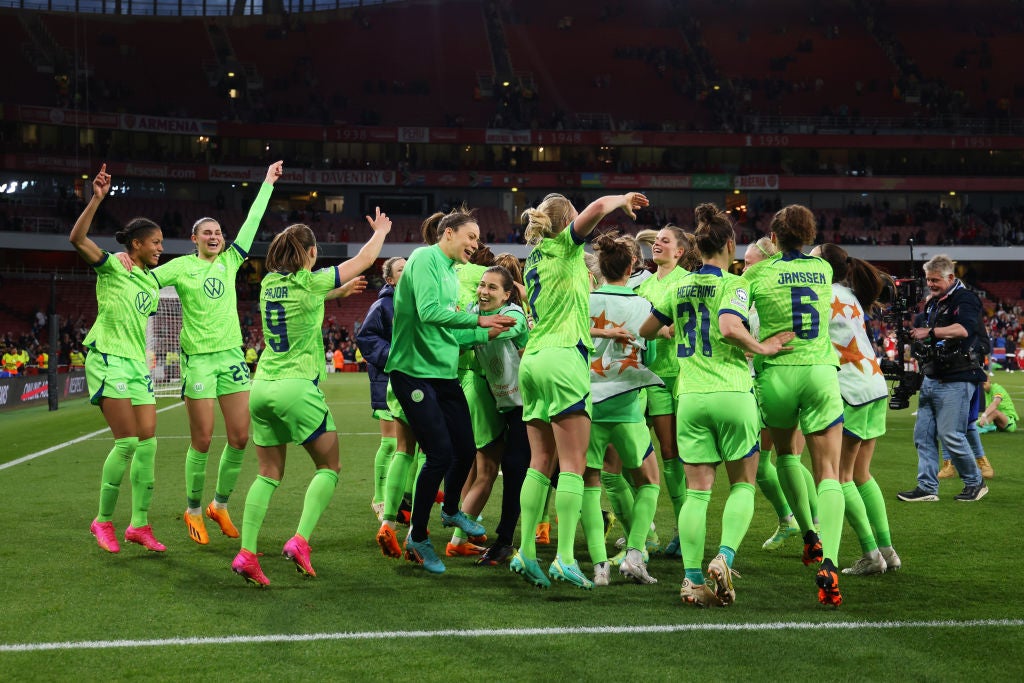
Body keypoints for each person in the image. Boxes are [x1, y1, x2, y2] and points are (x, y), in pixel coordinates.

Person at [642, 203, 792, 607]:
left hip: (689, 398)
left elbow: (646, 329)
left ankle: (691, 581)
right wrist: (762, 347)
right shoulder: (734, 283)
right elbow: (728, 326)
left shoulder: (677, 285)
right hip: (731, 392)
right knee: (743, 483)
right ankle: (724, 557)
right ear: (730, 243)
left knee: (697, 493)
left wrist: (674, 330)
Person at [231, 211, 390, 586]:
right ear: (311, 252)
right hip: (296, 386)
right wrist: (381, 232)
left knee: (268, 473)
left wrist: (335, 293)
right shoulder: (311, 280)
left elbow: (304, 296)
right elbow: (365, 261)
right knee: (329, 468)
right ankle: (300, 541)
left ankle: (247, 552)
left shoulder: (269, 281)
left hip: (262, 387)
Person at [129, 161, 283, 546]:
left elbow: (252, 221)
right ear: (194, 238)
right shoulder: (180, 267)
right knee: (202, 439)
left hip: (231, 358)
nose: (214, 237)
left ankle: (220, 504)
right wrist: (122, 262)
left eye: (218, 232)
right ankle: (193, 509)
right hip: (198, 361)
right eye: (207, 233)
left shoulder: (231, 261)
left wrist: (266, 182)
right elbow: (141, 278)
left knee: (241, 436)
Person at [511, 191, 649, 591]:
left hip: (533, 361)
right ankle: (566, 558)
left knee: (540, 462)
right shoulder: (565, 248)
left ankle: (526, 550)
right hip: (563, 360)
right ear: (565, 221)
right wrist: (620, 199)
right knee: (573, 466)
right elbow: (594, 211)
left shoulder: (534, 257)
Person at [383, 208, 516, 575]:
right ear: (448, 233)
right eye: (470, 236)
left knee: (464, 447)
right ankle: (418, 537)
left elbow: (447, 332)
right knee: (440, 455)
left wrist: (482, 333)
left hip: (442, 374)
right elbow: (427, 313)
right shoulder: (425, 258)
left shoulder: (450, 272)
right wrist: (478, 319)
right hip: (413, 373)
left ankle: (451, 509)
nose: (475, 244)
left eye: (477, 239)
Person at [744, 204, 846, 606]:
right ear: (809, 236)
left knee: (785, 456)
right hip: (820, 371)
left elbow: (732, 314)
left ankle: (808, 535)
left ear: (773, 237)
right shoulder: (823, 271)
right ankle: (831, 563)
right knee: (829, 474)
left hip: (778, 373)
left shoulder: (756, 274)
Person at [71, 164, 165, 554]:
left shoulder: (150, 280)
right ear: (137, 245)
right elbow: (76, 238)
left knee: (148, 445)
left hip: (135, 363)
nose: (160, 247)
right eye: (155, 242)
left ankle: (139, 525)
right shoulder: (113, 267)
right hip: (107, 358)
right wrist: (96, 198)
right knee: (126, 442)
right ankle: (103, 520)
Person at [811, 243, 901, 576]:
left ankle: (871, 555)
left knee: (840, 476)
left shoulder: (817, 294)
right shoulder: (850, 295)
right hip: (873, 383)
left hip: (848, 388)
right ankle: (888, 551)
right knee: (862, 474)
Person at [585, 232, 664, 586]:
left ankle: (599, 567)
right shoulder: (643, 305)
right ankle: (634, 554)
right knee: (649, 481)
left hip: (587, 402)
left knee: (591, 483)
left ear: (598, 266)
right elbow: (653, 350)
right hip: (629, 405)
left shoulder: (583, 301)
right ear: (632, 266)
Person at [743, 237, 816, 552]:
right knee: (765, 464)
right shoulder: (753, 298)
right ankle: (789, 520)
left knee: (790, 460)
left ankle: (815, 527)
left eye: (748, 263)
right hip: (761, 384)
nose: (743, 268)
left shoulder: (772, 302)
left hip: (782, 383)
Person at [897, 254, 989, 503]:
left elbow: (963, 329)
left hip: (957, 377)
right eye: (928, 280)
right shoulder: (933, 303)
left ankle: (975, 482)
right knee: (923, 436)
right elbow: (929, 335)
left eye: (935, 280)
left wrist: (931, 331)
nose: (931, 284)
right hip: (933, 375)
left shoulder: (965, 298)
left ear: (951, 277)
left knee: (951, 435)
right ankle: (927, 487)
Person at [460, 264, 531, 566]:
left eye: (492, 287)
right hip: (505, 404)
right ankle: (597, 515)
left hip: (529, 405)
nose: (483, 291)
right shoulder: (473, 311)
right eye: (481, 285)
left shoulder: (514, 313)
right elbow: (458, 339)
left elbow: (509, 328)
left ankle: (505, 542)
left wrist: (470, 326)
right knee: (545, 471)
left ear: (506, 295)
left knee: (515, 469)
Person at [633, 225, 692, 556]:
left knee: (672, 454)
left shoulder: (686, 282)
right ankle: (645, 528)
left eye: (665, 241)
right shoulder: (643, 285)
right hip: (649, 376)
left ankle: (684, 531)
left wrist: (672, 329)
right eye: (655, 241)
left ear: (679, 251)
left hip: (679, 375)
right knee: (634, 452)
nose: (657, 244)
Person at [355, 256, 406, 521]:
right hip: (388, 380)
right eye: (401, 269)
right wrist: (395, 357)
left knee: (407, 446)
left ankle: (399, 498)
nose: (407, 271)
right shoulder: (383, 305)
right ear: (390, 279)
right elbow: (366, 338)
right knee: (390, 443)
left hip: (411, 381)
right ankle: (379, 498)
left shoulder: (416, 301)